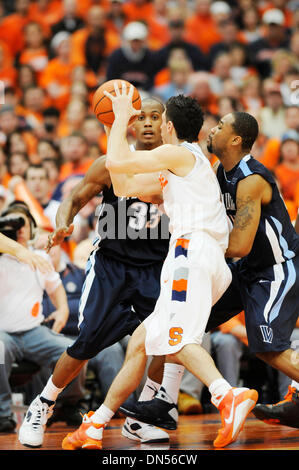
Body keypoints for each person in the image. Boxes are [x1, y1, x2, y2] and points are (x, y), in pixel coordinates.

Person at [58, 87, 258, 450]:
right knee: (141, 342)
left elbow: (117, 164)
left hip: (190, 255)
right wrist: (111, 129)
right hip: (205, 260)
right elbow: (122, 184)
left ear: (167, 126)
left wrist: (120, 118)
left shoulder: (178, 153)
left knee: (178, 341)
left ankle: (227, 395)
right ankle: (97, 423)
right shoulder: (181, 165)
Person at [18, 97, 172, 448]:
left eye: (155, 117)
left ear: (166, 124)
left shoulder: (178, 166)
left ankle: (139, 417)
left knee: (164, 341)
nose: (147, 123)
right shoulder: (111, 164)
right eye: (141, 117)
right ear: (130, 125)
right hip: (111, 266)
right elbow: (73, 198)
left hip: (155, 267)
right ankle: (42, 404)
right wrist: (63, 225)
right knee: (86, 343)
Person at [203, 111, 299, 429]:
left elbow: (240, 244)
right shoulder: (221, 170)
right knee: (194, 320)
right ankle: (161, 400)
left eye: (219, 126)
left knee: (269, 349)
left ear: (235, 140)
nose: (211, 129)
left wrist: (197, 245)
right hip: (248, 269)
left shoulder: (251, 179)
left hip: (276, 269)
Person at [0, 201, 83, 433]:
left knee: (74, 349)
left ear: (32, 229)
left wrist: (63, 309)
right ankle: (2, 413)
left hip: (34, 331)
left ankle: (70, 404)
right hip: (4, 334)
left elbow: (56, 288)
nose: (17, 229)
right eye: (10, 224)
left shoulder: (40, 257)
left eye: (21, 224)